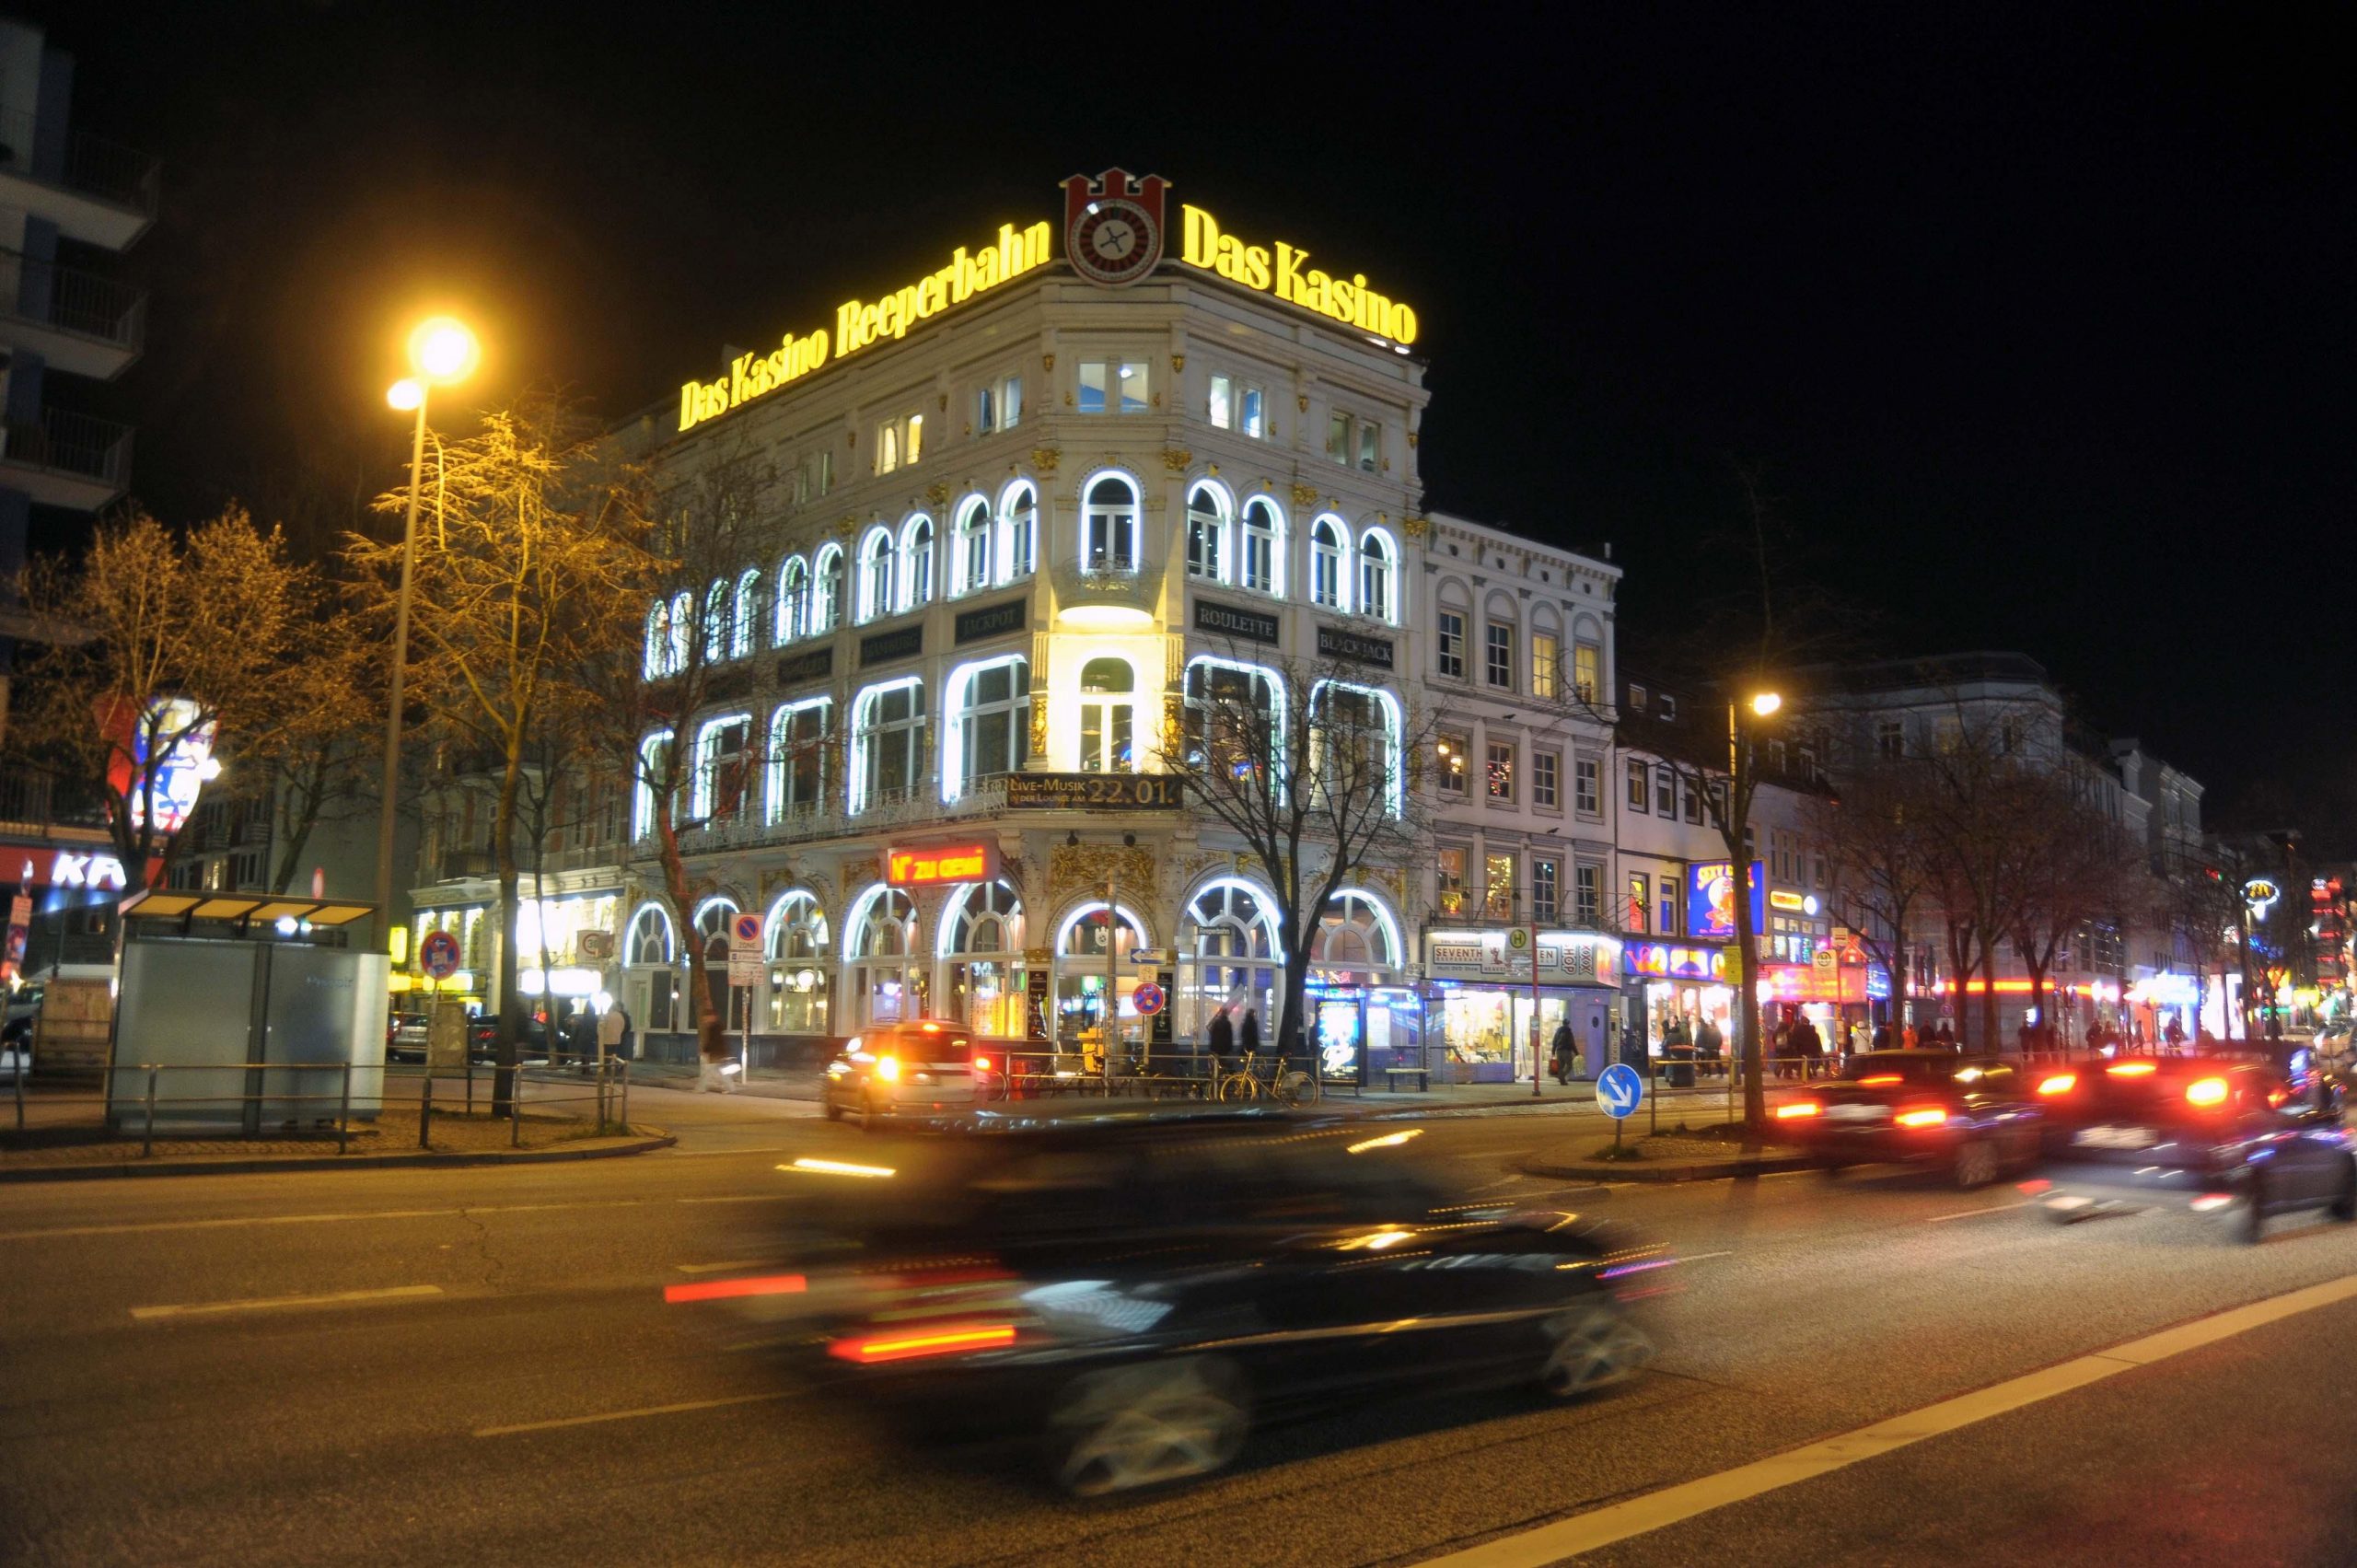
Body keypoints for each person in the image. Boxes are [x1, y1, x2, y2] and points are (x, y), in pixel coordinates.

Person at [597, 1003, 625, 1072]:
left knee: (607, 1056)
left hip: (607, 1039)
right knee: (614, 1056)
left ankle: (606, 1069)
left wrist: (599, 1035)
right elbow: (622, 1026)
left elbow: (601, 1027)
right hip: (617, 1039)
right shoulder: (620, 1016)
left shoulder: (607, 1016)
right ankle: (614, 1070)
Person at [1206, 1005, 1235, 1071]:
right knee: (1223, 1062)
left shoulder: (1216, 1022)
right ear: (1226, 1014)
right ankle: (1222, 1077)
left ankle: (1216, 1077)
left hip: (1215, 1047)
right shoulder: (1227, 1023)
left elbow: (1212, 1034)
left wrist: (1212, 1046)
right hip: (1224, 1048)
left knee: (1216, 1063)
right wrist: (1229, 1048)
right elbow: (1229, 1037)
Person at [1550, 1017, 1575, 1085]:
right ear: (1568, 1024)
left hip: (1558, 1051)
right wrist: (1576, 1052)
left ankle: (1562, 1082)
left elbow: (1554, 1041)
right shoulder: (1568, 1031)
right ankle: (1561, 1077)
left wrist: (1553, 1051)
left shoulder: (1558, 1031)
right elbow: (1572, 1043)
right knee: (1569, 1065)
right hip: (1566, 1051)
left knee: (1561, 1066)